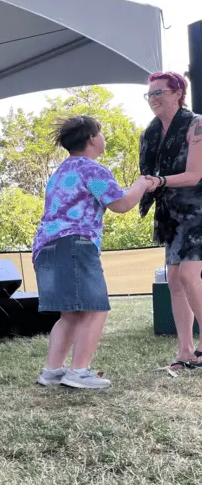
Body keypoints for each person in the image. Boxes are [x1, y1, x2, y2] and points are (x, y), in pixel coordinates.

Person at [32, 115, 151, 389]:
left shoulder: (62, 170)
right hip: (75, 244)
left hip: (46, 247)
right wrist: (141, 184)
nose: (103, 137)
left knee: (69, 314)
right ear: (92, 138)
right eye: (101, 132)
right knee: (96, 309)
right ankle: (79, 372)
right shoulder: (91, 169)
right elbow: (120, 204)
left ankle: (52, 372)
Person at [138, 71, 202, 370]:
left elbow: (194, 175)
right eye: (149, 94)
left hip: (197, 210)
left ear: (178, 93)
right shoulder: (149, 133)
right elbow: (146, 177)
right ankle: (185, 352)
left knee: (189, 277)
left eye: (159, 92)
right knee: (174, 282)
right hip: (169, 214)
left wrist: (157, 180)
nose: (153, 99)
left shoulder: (197, 124)